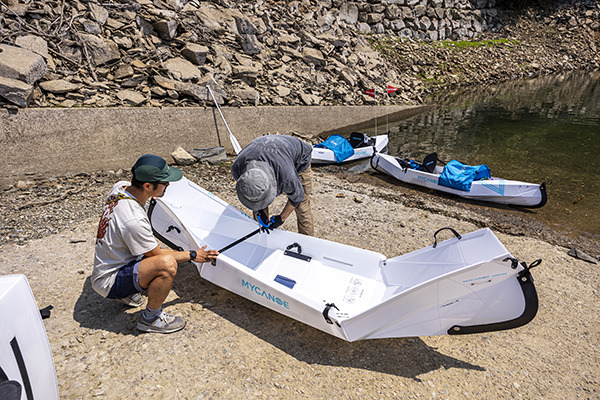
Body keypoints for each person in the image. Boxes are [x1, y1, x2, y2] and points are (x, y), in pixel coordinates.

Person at [91, 154, 219, 334]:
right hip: (110, 281)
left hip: (110, 265)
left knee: (157, 257)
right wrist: (194, 255)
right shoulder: (133, 220)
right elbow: (157, 255)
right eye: (164, 183)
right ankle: (150, 318)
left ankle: (129, 290)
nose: (168, 185)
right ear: (147, 186)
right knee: (167, 265)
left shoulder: (121, 187)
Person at [231, 135, 314, 236]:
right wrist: (259, 212)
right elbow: (254, 193)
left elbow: (297, 197)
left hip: (300, 158)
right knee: (257, 202)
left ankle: (306, 244)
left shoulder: (287, 176)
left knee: (302, 206)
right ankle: (262, 237)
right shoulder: (238, 168)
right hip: (271, 151)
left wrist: (281, 218)